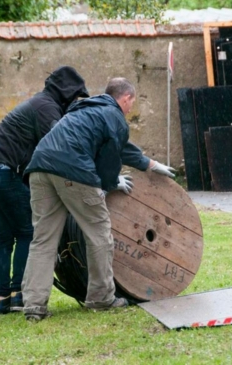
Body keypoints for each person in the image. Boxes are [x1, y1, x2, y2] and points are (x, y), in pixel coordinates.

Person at [21, 77, 176, 321]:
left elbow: (121, 147)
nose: (129, 110)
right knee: (100, 234)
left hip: (39, 169)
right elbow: (110, 160)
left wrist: (151, 164)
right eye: (131, 104)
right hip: (72, 171)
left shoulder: (86, 110)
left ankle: (34, 306)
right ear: (125, 98)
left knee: (43, 240)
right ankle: (101, 298)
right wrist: (112, 181)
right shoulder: (114, 116)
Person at [0, 66, 89, 314]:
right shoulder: (46, 108)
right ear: (67, 93)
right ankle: (19, 296)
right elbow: (60, 148)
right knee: (28, 232)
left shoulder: (40, 103)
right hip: (2, 173)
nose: (75, 102)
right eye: (75, 96)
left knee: (4, 238)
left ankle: (1, 300)